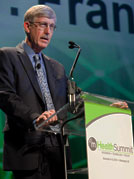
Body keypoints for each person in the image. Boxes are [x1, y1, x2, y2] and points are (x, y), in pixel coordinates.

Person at [0, 5, 71, 179]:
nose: (48, 31)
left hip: (57, 151)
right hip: (27, 146)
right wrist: (34, 118)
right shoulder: (7, 56)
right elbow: (5, 95)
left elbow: (75, 99)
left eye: (52, 26)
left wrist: (106, 107)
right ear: (27, 26)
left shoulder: (57, 68)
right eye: (42, 25)